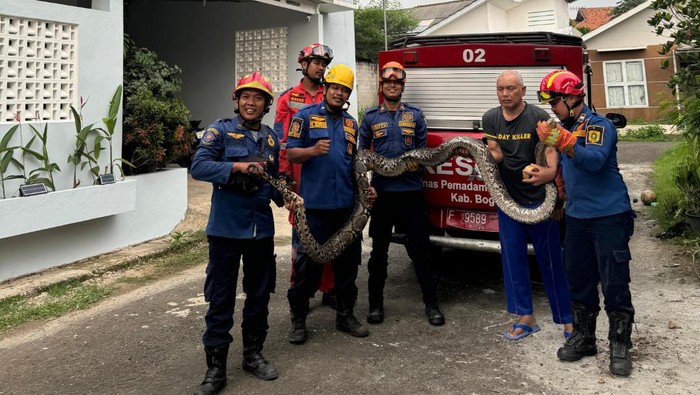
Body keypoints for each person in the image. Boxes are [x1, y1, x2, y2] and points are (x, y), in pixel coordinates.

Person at [536, 70, 635, 376]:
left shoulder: (598, 125)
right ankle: (584, 338)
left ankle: (620, 344)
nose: (552, 107)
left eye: (555, 101)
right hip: (577, 218)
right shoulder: (564, 128)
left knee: (615, 282)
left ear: (571, 97)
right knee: (578, 279)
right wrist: (559, 194)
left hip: (608, 216)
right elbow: (566, 171)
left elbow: (593, 162)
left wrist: (565, 143)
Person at [190, 71, 283, 395]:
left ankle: (253, 355)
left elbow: (275, 185)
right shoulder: (220, 131)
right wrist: (236, 168)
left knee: (258, 298)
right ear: (237, 100)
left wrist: (288, 196)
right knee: (221, 300)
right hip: (226, 231)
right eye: (246, 96)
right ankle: (215, 369)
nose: (250, 102)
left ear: (266, 104)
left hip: (261, 232)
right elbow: (198, 167)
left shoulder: (272, 139)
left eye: (258, 98)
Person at [285, 63, 377, 344]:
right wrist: (312, 150)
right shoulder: (304, 116)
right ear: (326, 88)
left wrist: (366, 190)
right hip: (315, 208)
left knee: (348, 268)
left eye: (344, 89)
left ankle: (346, 315)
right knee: (307, 269)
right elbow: (290, 153)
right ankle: (298, 319)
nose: (339, 93)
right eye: (335, 87)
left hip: (347, 208)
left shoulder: (351, 123)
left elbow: (353, 165)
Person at [481, 70, 573, 341]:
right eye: (500, 89)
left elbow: (550, 149)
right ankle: (526, 318)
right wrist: (481, 155)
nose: (505, 93)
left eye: (510, 88)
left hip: (539, 199)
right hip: (508, 200)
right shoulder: (491, 118)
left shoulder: (538, 117)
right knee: (513, 260)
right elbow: (496, 152)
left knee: (551, 259)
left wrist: (550, 173)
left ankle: (568, 321)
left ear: (522, 90)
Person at [358, 61, 444, 326]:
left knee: (421, 251)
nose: (392, 85)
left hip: (410, 192)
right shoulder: (370, 117)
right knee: (379, 253)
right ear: (381, 86)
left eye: (397, 82)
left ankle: (432, 306)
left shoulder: (416, 116)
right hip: (382, 194)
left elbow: (422, 153)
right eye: (388, 82)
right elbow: (361, 156)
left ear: (402, 86)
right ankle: (375, 306)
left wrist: (412, 164)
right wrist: (366, 186)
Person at [274, 43, 336, 308]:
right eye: (316, 62)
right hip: (300, 179)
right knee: (301, 241)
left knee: (330, 236)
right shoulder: (288, 99)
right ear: (303, 64)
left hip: (326, 178)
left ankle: (330, 289)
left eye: (324, 63)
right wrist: (285, 182)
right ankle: (301, 294)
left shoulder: (331, 93)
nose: (321, 67)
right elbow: (282, 142)